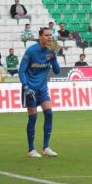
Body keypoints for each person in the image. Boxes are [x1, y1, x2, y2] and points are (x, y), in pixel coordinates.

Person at [19, 27, 61, 158]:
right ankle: (31, 149)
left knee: (49, 113)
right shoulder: (31, 51)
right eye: (47, 35)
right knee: (33, 118)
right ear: (40, 36)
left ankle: (46, 147)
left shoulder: (50, 51)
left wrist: (54, 56)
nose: (49, 37)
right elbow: (21, 71)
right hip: (30, 88)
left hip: (42, 88)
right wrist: (26, 87)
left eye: (50, 35)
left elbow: (57, 71)